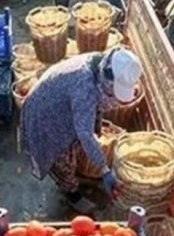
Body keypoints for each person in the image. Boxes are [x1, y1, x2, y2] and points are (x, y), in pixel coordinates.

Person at [20, 46, 144, 214]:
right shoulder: (84, 87)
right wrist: (104, 169)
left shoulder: (100, 63)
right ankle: (71, 191)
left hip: (60, 102)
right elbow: (84, 133)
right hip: (46, 114)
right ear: (108, 80)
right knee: (62, 157)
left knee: (76, 143)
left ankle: (71, 177)